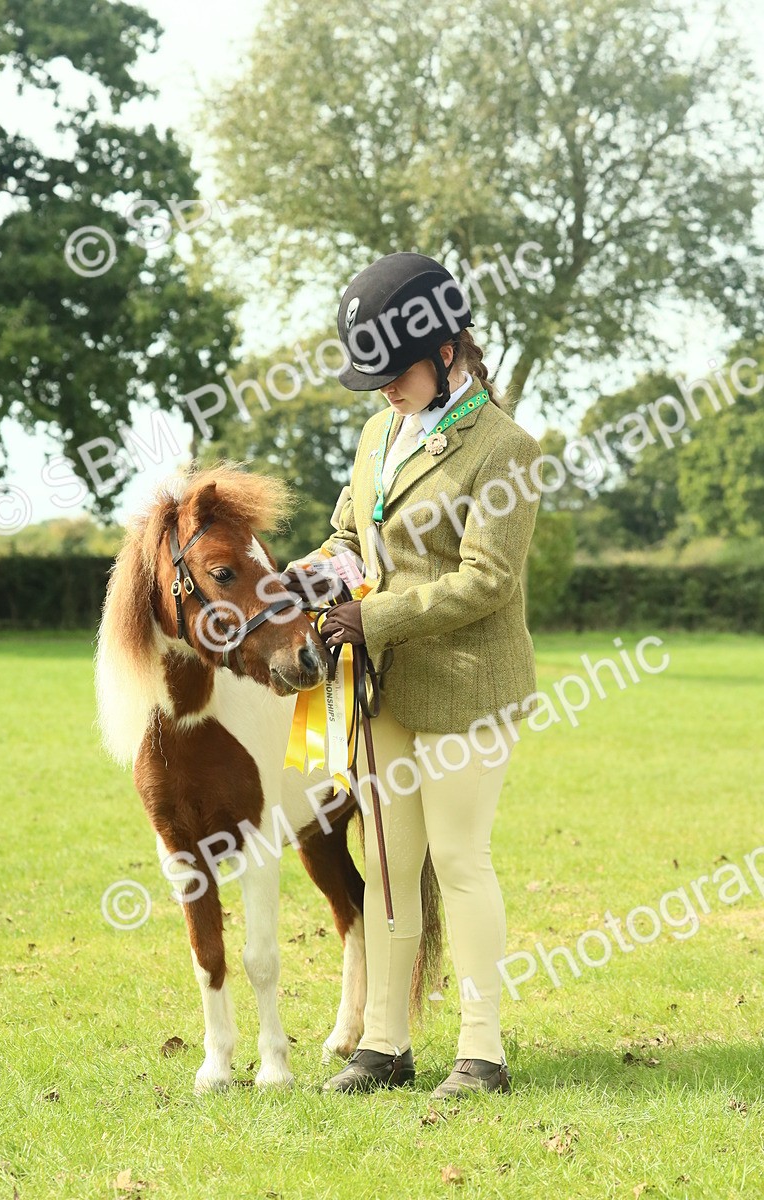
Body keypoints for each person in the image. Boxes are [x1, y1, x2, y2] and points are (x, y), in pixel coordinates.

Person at [281, 252, 542, 1098]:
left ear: (447, 348)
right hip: (380, 684)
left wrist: (376, 615)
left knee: (461, 861)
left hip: (467, 681)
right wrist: (308, 577)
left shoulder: (505, 449)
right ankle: (385, 1045)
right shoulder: (378, 433)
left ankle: (482, 1052)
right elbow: (350, 535)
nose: (382, 388)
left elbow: (487, 580)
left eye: (392, 372)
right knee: (390, 865)